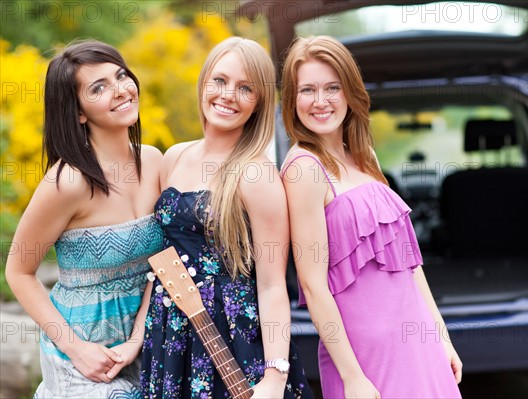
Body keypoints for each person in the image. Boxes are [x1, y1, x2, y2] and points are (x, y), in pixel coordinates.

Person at [280, 35, 463, 398]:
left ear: (350, 92)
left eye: (332, 87)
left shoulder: (365, 158)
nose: (320, 101)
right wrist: (353, 378)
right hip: (364, 361)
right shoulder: (304, 170)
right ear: (292, 99)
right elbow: (314, 288)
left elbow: (409, 266)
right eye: (307, 90)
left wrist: (441, 336)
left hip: (418, 343)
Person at [140, 37, 312, 399]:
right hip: (170, 331)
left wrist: (275, 377)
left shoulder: (256, 175)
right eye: (219, 80)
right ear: (203, 83)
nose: (228, 94)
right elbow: (158, 261)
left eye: (245, 87)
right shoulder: (174, 157)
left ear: (259, 103)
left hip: (234, 338)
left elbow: (271, 285)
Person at [5, 40, 164, 398]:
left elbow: (164, 262)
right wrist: (77, 349)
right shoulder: (68, 183)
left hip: (149, 342)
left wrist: (138, 338)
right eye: (99, 87)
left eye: (121, 77)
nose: (121, 90)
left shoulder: (155, 162)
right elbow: (18, 271)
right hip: (84, 357)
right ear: (78, 112)